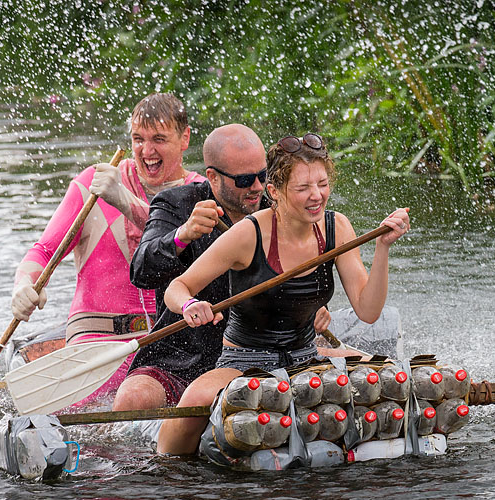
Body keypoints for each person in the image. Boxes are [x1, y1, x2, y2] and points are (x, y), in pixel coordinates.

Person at [157, 132, 410, 454]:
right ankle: (165, 468)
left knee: (393, 379)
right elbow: (177, 288)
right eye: (303, 188)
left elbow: (368, 311)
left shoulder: (337, 228)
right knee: (194, 401)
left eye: (322, 184)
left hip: (306, 356)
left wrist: (382, 248)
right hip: (244, 361)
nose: (316, 195)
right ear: (274, 192)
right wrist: (191, 304)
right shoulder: (249, 233)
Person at [112, 124, 332, 410]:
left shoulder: (280, 205)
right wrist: (183, 235)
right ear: (213, 178)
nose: (257, 187)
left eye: (262, 176)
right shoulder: (175, 204)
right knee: (132, 399)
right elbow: (141, 271)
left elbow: (306, 266)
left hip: (258, 354)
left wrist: (309, 306)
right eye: (243, 180)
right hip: (180, 356)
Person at [10, 92, 204, 405]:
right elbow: (43, 252)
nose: (147, 151)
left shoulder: (198, 194)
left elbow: (180, 242)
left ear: (184, 139)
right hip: (95, 340)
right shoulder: (94, 183)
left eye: (159, 139)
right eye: (138, 139)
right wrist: (22, 286)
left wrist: (124, 201)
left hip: (167, 345)